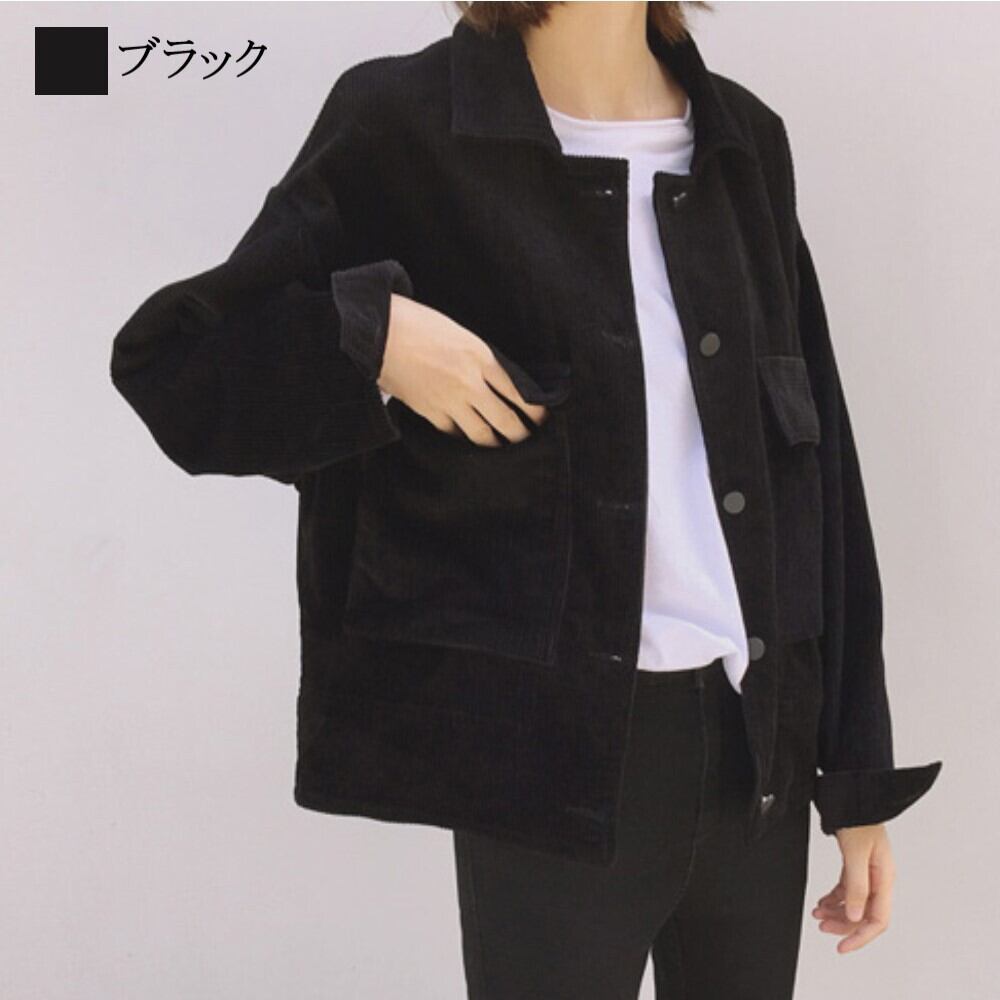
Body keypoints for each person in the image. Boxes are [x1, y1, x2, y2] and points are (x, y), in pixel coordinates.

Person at [110, 3, 942, 997]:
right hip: (546, 767)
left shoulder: (744, 141)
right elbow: (176, 367)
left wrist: (856, 775)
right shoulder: (402, 122)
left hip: (753, 756)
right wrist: (371, 338)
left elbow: (817, 463)